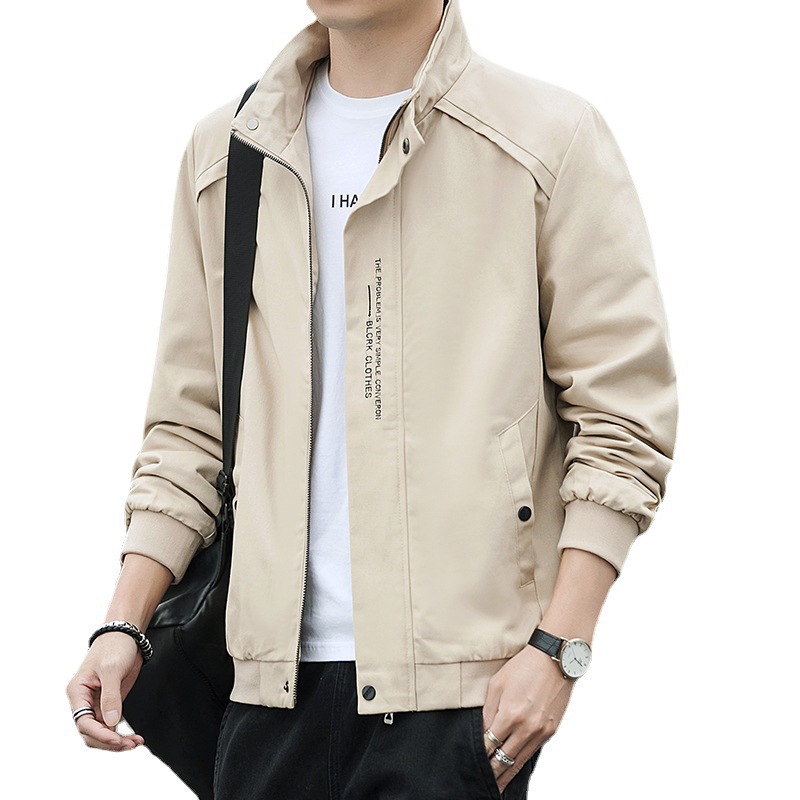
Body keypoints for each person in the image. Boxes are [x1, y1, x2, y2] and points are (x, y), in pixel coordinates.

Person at [65, 0, 679, 797]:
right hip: (263, 694)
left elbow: (622, 414)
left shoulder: (545, 140)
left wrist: (560, 649)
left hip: (458, 698)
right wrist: (123, 622)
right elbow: (191, 427)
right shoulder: (230, 152)